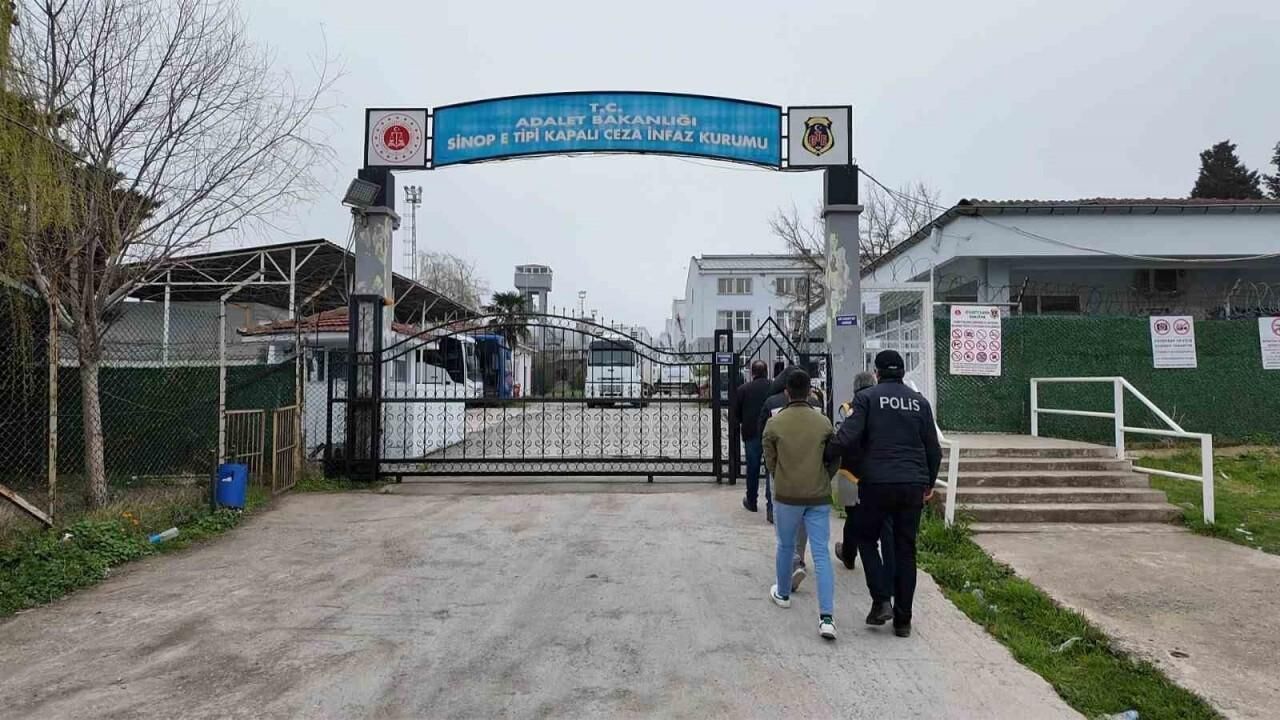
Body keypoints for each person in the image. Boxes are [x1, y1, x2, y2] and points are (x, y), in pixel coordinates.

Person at [826, 350, 941, 638]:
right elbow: (933, 449)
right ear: (902, 372)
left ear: (877, 373)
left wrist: (824, 452)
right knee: (906, 550)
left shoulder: (867, 398)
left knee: (865, 537)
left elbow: (847, 437)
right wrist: (929, 483)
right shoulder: (920, 402)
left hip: (877, 483)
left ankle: (880, 600)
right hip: (912, 484)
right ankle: (903, 620)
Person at [763, 369, 840, 640]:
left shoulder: (775, 424)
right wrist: (824, 477)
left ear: (786, 392)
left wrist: (781, 477)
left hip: (787, 495)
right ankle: (827, 618)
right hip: (817, 495)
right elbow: (835, 456)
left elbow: (770, 460)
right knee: (821, 553)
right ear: (809, 392)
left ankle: (783, 593)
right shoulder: (823, 423)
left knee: (785, 546)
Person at [757, 364, 825, 592]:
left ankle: (793, 561)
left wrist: (773, 468)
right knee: (805, 517)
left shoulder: (772, 403)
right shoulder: (817, 406)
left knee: (783, 519)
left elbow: (764, 436)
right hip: (811, 471)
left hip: (783, 471)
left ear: (786, 389)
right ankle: (799, 557)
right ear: (808, 388)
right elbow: (828, 441)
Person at [732, 360, 774, 514]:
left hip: (751, 433)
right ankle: (771, 505)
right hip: (771, 432)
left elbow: (736, 413)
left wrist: (737, 427)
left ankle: (751, 501)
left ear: (752, 372)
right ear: (767, 371)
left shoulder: (743, 389)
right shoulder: (774, 388)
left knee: (752, 468)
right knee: (771, 468)